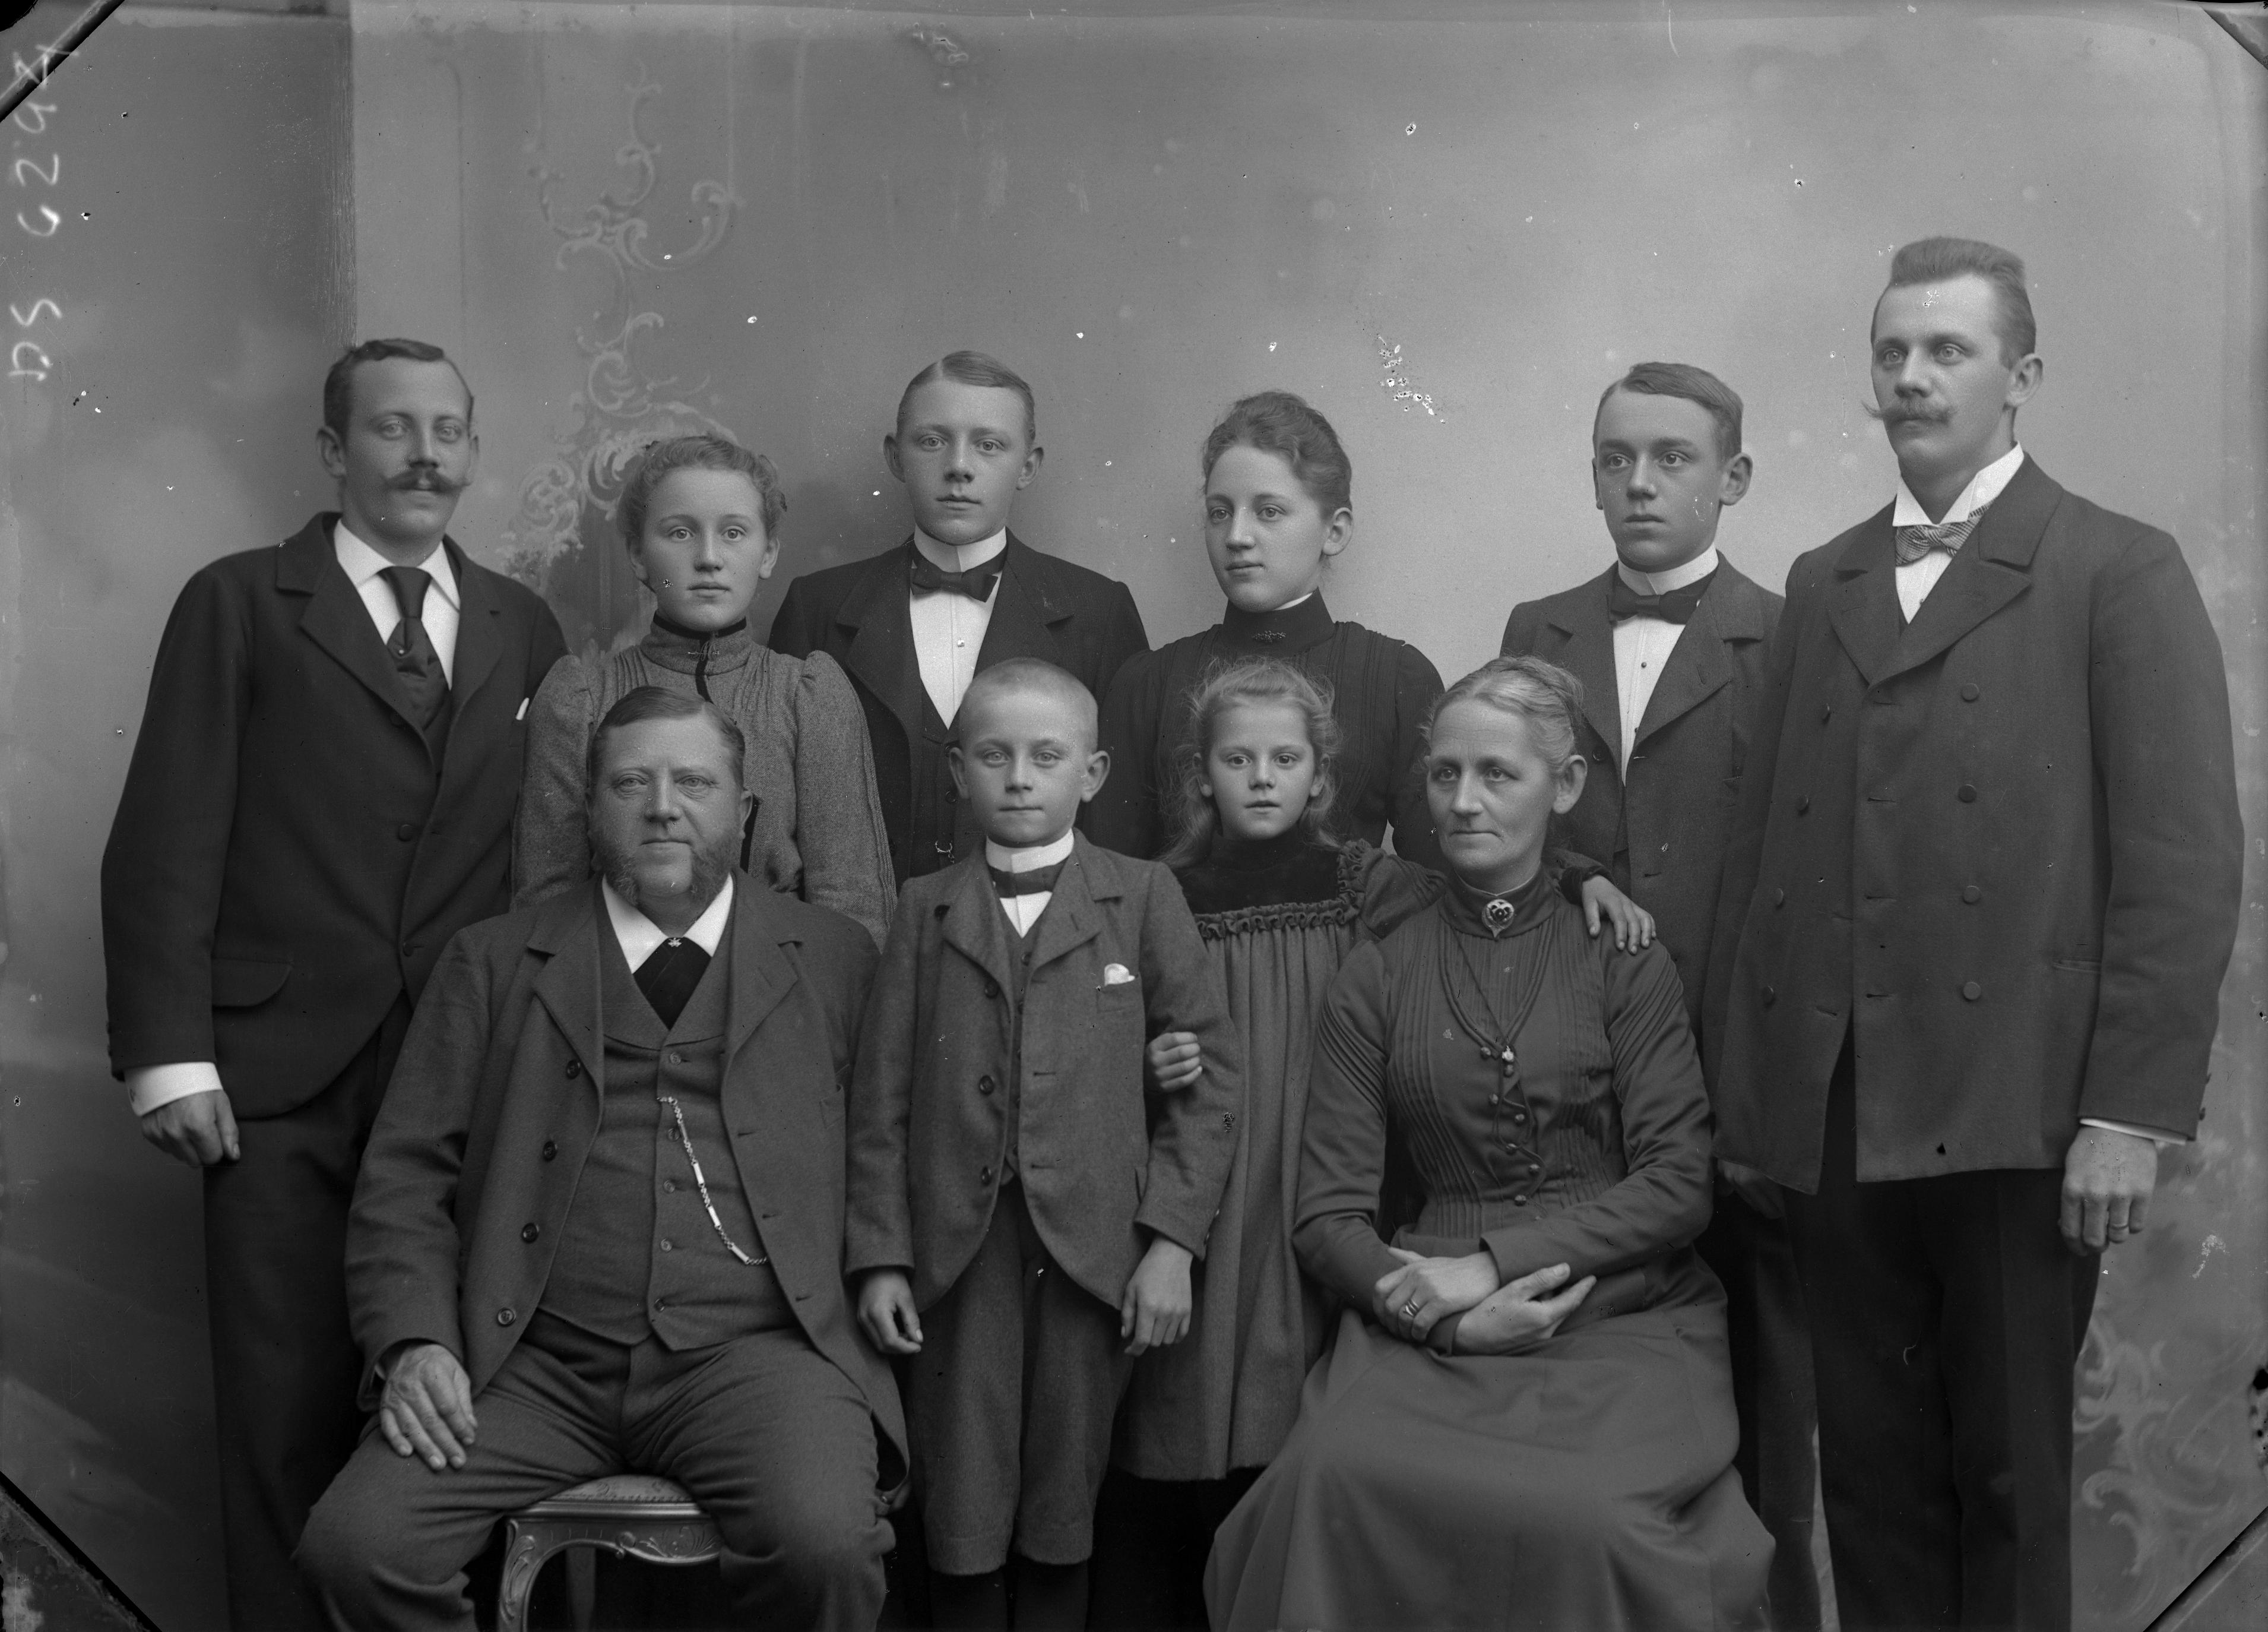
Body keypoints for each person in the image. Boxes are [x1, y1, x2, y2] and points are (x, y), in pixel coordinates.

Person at [1703, 236, 2243, 1630]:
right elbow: (1765, 859)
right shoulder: (1821, 579)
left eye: (1944, 349)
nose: (1909, 376)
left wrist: (2123, 1114)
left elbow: (2180, 867)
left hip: (2021, 1106)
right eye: (1890, 350)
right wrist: (1757, 1102)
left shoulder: (2113, 567)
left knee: (2005, 1481)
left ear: (2021, 377)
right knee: (1869, 1483)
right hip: (1835, 1107)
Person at [99, 338, 567, 1629]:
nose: (423, 455)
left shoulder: (524, 624)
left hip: (463, 1071)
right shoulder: (240, 602)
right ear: (331, 449)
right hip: (275, 1075)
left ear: (473, 452)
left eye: (447, 431)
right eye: (391, 428)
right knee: (283, 1405)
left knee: (463, 1405)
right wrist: (170, 1054)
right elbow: (166, 831)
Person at [295, 689, 904, 1631]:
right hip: (533, 1365)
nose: (662, 807)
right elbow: (405, 1177)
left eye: (693, 783)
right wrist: (414, 1340)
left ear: (744, 812)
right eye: (630, 784)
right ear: (588, 810)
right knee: (357, 1547)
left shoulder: (835, 959)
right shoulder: (493, 962)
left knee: (824, 1547)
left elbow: (887, 1151)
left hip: (760, 1357)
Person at [1208, 656, 1773, 1632]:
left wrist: (1492, 1266)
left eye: (1497, 774)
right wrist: (1450, 1321)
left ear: (1567, 785)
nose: (1462, 803)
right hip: (1426, 1312)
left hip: (1620, 1309)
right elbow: (1328, 1218)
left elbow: (1679, 1184)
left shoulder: (1622, 957)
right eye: (1444, 774)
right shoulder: (1378, 971)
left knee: (1590, 1517)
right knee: (1327, 1477)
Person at [1095, 658, 1657, 1631]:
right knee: (1183, 1398)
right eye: (1237, 759)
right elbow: (1104, 1022)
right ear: (1201, 775)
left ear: (1321, 776)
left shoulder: (1365, 880)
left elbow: (1487, 882)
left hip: (1316, 1157)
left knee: (1305, 1386)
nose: (1261, 778)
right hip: (1202, 1172)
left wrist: (1586, 872)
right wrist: (1145, 1058)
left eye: (1285, 759)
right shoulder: (1155, 893)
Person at [1500, 362, 1816, 1627]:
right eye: (1614, 457)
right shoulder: (1538, 629)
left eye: (1672, 458)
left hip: (1738, 1073)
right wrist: (1575, 873)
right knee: (1586, 1392)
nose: (1638, 483)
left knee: (1761, 1391)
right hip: (1573, 1072)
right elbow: (1506, 819)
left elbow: (1812, 866)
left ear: (1732, 478)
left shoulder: (1790, 632)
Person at [846, 659, 1242, 1630]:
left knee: (1067, 1492)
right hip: (957, 1250)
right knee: (962, 1491)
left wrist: (1172, 1244)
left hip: (1096, 1250)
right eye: (995, 756)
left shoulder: (1141, 896)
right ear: (958, 769)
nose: (1020, 778)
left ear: (1093, 772)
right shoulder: (925, 905)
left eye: (1047, 756)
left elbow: (1209, 1087)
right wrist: (881, 1255)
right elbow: (881, 1099)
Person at [769, 351, 1149, 883]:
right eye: (932, 441)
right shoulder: (818, 606)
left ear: (1028, 466)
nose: (960, 467)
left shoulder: (1098, 612)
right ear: (896, 457)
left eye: (989, 445)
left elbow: (1120, 823)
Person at [513, 432, 895, 942]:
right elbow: (545, 911)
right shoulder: (581, 698)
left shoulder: (806, 696)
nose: (709, 558)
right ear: (638, 555)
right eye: (680, 533)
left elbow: (853, 911)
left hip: (783, 979)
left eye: (734, 533)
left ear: (768, 553)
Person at [1088, 390, 1445, 869]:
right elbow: (1111, 879)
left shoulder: (1396, 679)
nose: (1236, 537)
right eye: (1220, 512)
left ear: (1335, 531)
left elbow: (1438, 876)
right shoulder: (1147, 683)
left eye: (1268, 511)